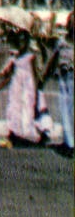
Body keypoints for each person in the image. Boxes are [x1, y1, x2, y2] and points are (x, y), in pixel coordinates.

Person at [0, 30, 50, 148]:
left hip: (28, 89)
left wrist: (36, 92)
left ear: (28, 43)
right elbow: (11, 76)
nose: (21, 44)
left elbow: (35, 75)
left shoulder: (31, 57)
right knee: (14, 110)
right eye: (19, 41)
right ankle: (12, 135)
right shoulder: (15, 58)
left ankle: (43, 134)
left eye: (24, 41)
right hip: (16, 89)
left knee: (30, 111)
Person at [39, 13, 74, 158]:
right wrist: (44, 78)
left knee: (67, 110)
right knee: (65, 110)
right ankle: (69, 142)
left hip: (70, 77)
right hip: (64, 77)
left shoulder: (63, 42)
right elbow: (52, 61)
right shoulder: (62, 42)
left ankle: (70, 144)